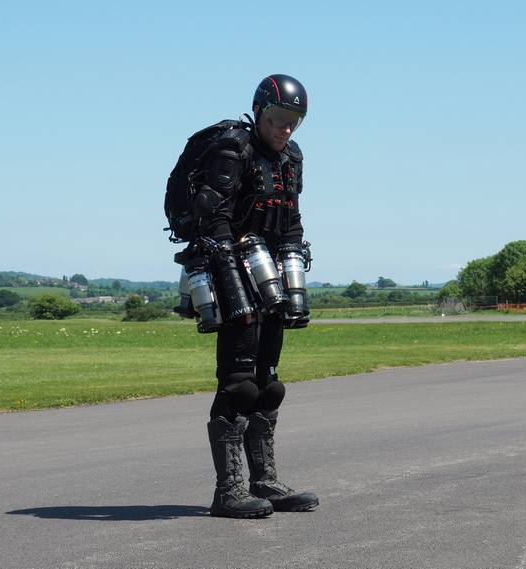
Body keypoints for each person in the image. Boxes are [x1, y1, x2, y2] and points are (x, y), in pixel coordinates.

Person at [195, 74, 319, 518]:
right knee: (239, 383)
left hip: (274, 273)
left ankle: (265, 482)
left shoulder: (291, 157)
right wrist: (232, 278)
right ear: (260, 111)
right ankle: (228, 491)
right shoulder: (235, 148)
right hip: (234, 272)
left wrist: (293, 272)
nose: (285, 129)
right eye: (277, 119)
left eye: (293, 121)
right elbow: (216, 218)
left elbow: (292, 218)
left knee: (268, 384)